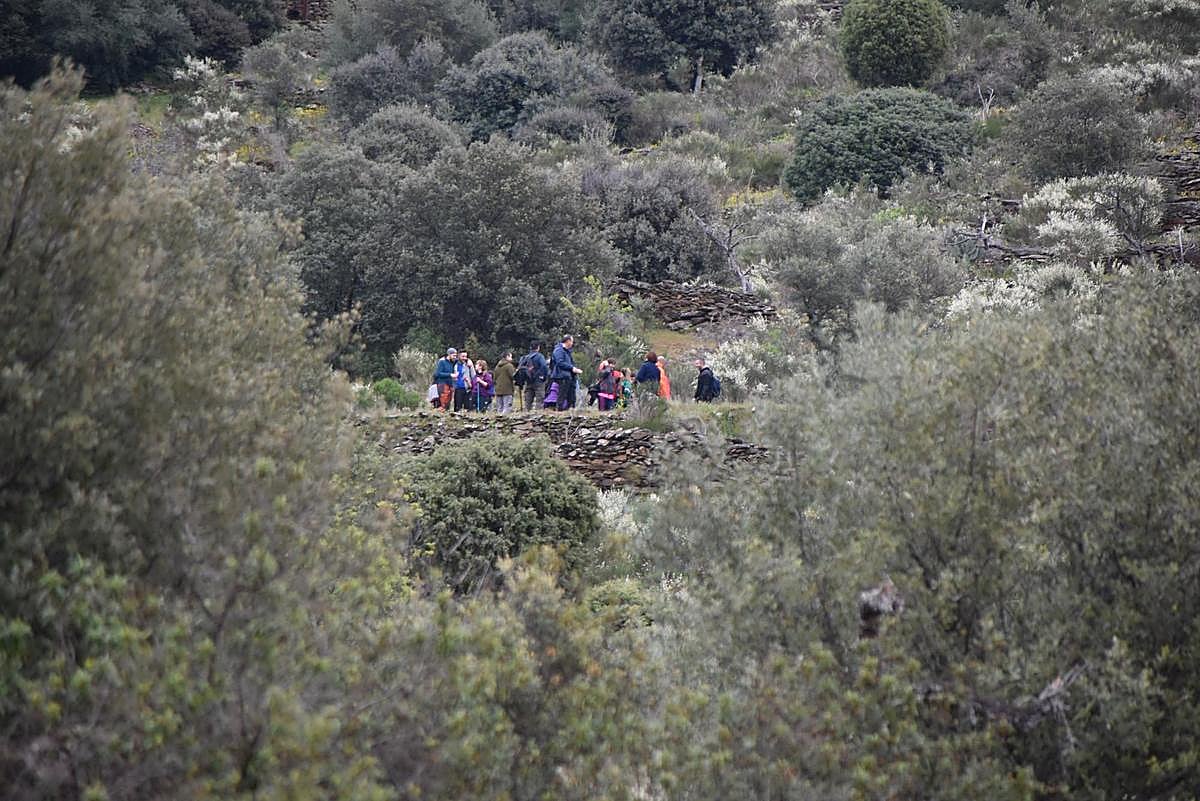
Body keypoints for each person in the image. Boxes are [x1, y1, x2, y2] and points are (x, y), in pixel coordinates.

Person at [551, 334, 583, 411]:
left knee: (570, 395)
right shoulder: (559, 350)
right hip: (562, 376)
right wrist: (572, 368)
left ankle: (569, 410)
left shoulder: (567, 351)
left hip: (569, 376)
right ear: (568, 341)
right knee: (562, 394)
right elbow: (560, 362)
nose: (572, 343)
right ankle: (559, 411)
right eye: (572, 341)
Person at [519, 341, 550, 412]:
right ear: (538, 347)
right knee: (539, 400)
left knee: (528, 400)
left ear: (530, 348)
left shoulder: (525, 357)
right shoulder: (539, 356)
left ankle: (526, 414)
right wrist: (543, 377)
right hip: (538, 381)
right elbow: (544, 366)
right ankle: (538, 415)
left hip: (528, 381)